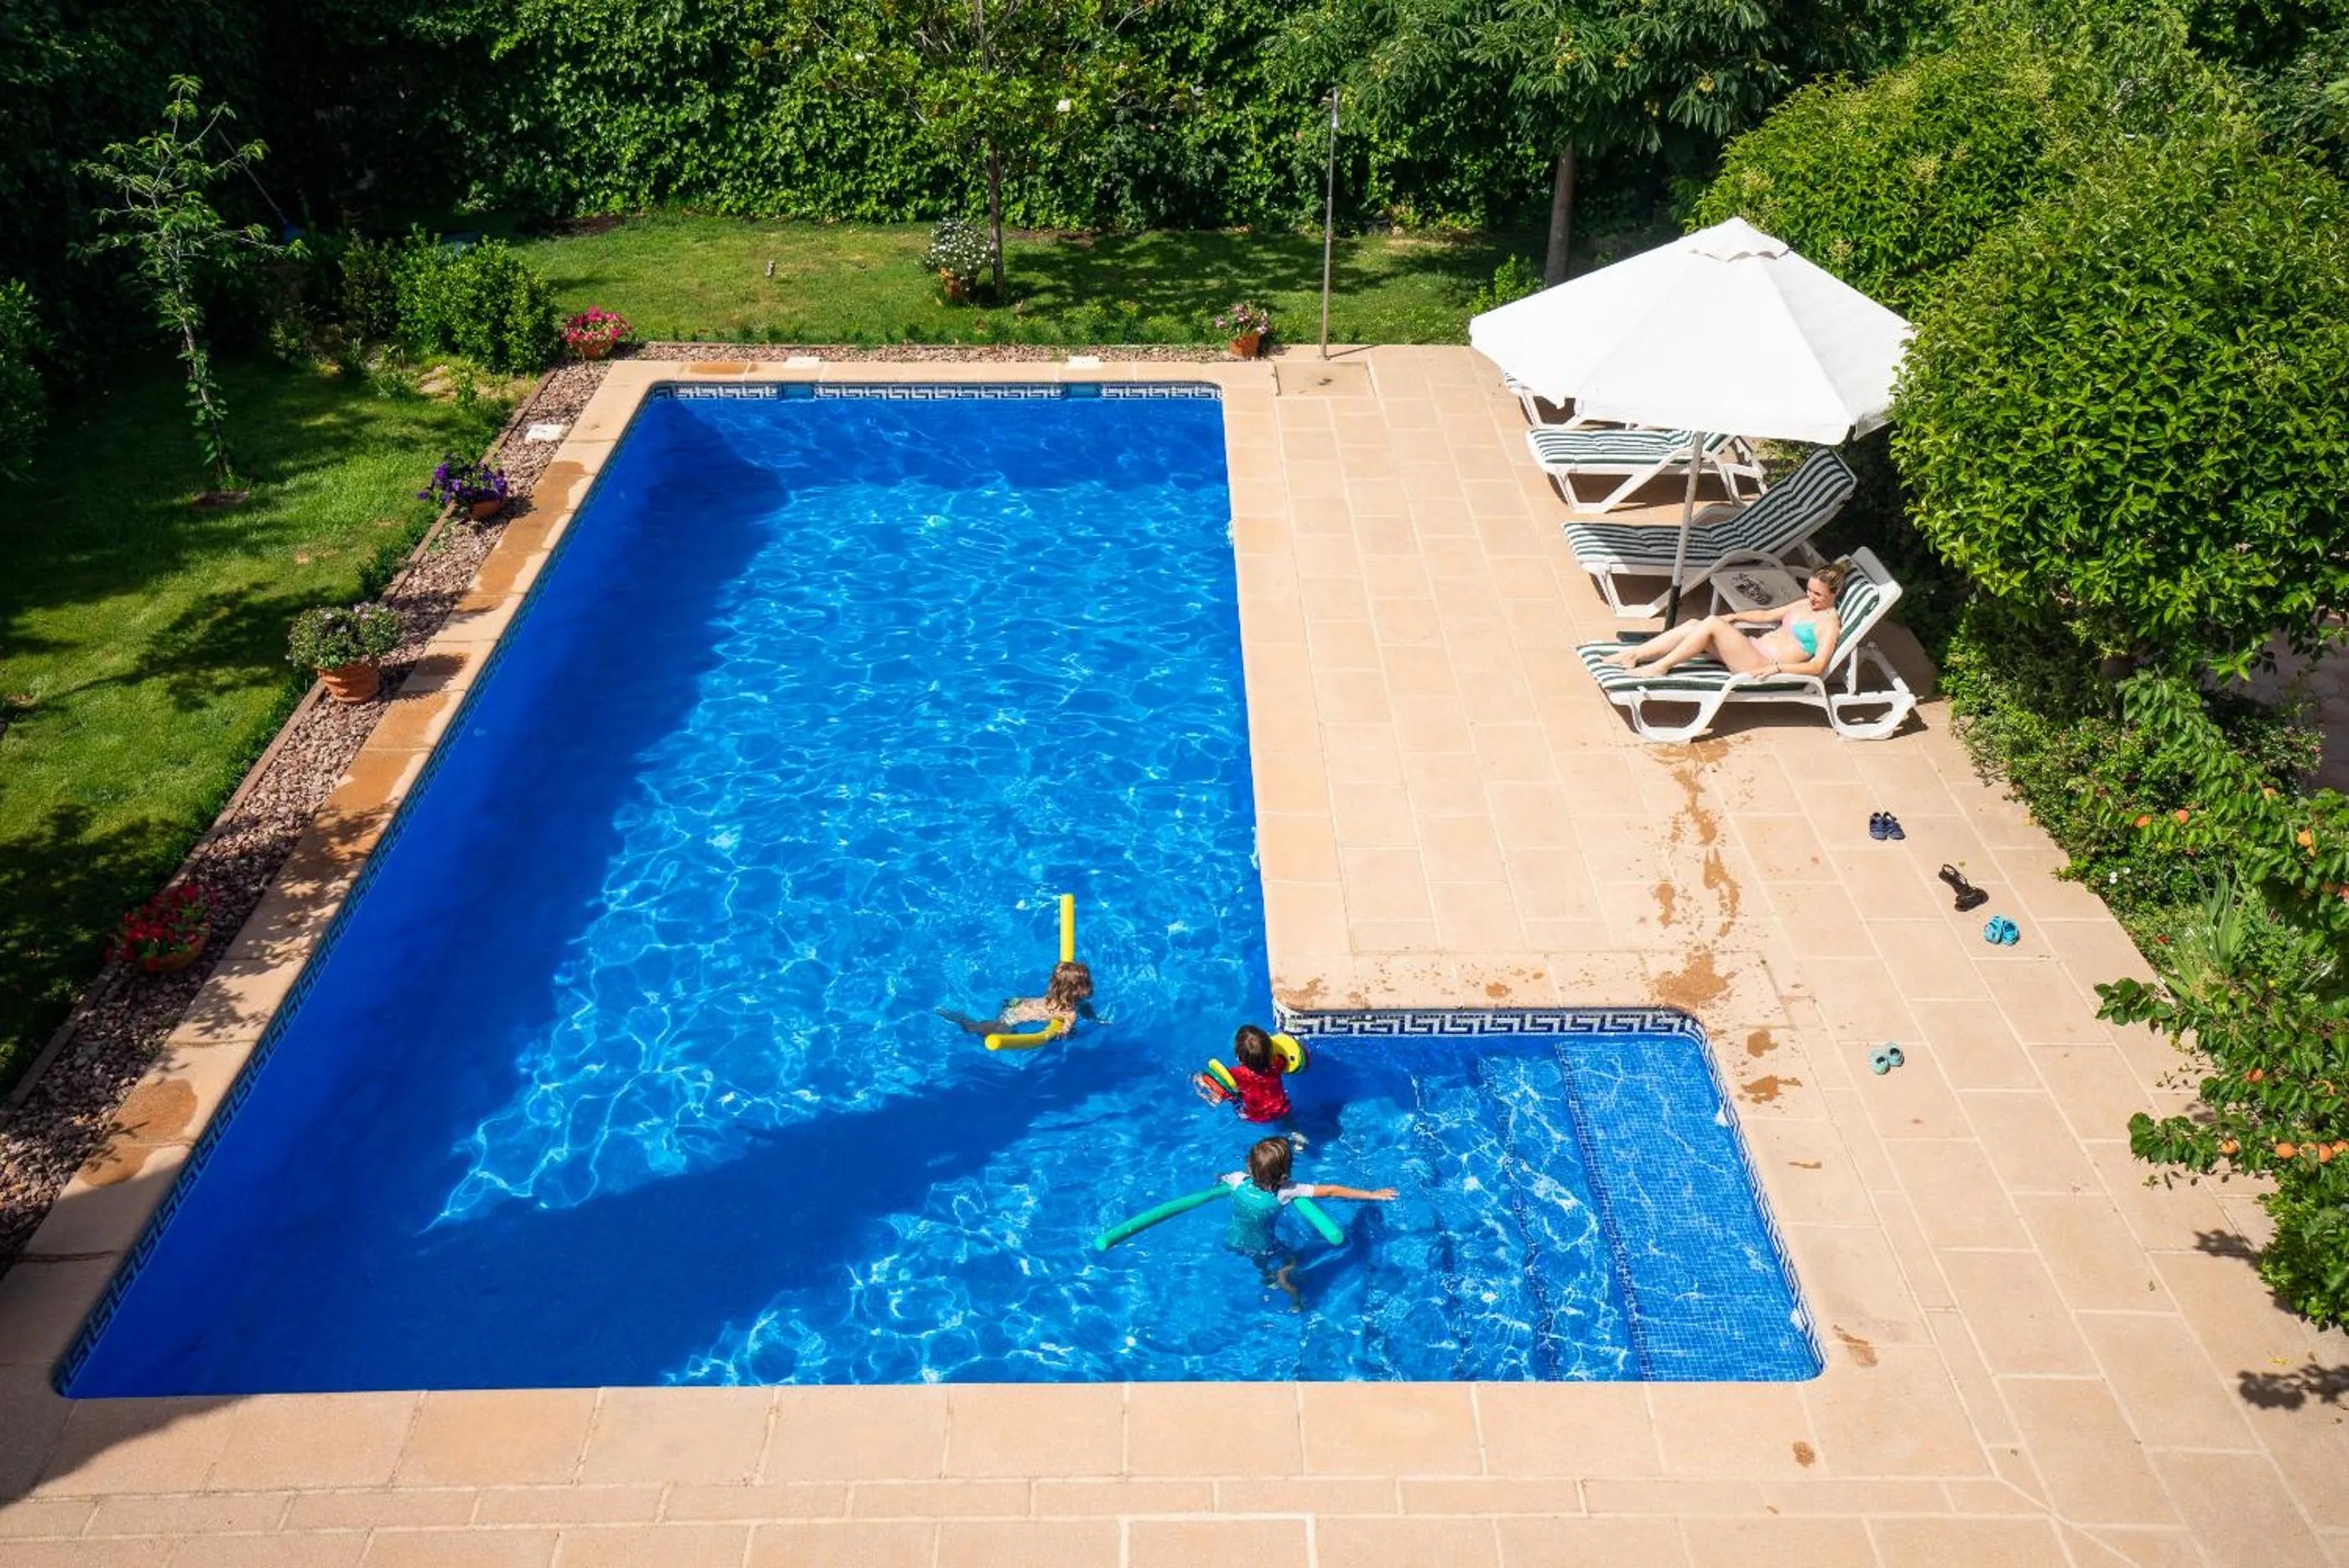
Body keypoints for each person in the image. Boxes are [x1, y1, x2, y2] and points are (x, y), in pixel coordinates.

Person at [1602, 558, 1853, 680]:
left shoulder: (1828, 624)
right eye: (1809, 590)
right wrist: (1733, 617)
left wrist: (1777, 668)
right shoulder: (1804, 603)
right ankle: (1635, 654)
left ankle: (1660, 667)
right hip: (1752, 650)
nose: (1811, 597)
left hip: (1761, 664)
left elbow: (1818, 666)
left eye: (1818, 594)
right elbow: (1766, 615)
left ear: (1836, 592)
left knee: (1711, 624)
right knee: (1693, 625)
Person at [1221, 1135, 1394, 1259]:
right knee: (1288, 1262)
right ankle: (1285, 1291)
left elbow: (1221, 1178)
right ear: (1284, 1177)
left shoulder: (1236, 1179)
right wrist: (1372, 1194)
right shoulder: (1287, 1191)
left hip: (1233, 1237)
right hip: (1263, 1245)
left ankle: (1270, 1280)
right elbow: (1331, 1191)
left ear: (1248, 1166)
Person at [937, 959, 1095, 1038]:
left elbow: (1084, 1007)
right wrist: (1068, 1033)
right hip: (1016, 1015)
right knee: (984, 1030)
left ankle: (955, 1016)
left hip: (1017, 1002)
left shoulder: (1057, 997)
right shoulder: (1070, 1014)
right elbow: (1063, 1034)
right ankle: (958, 1018)